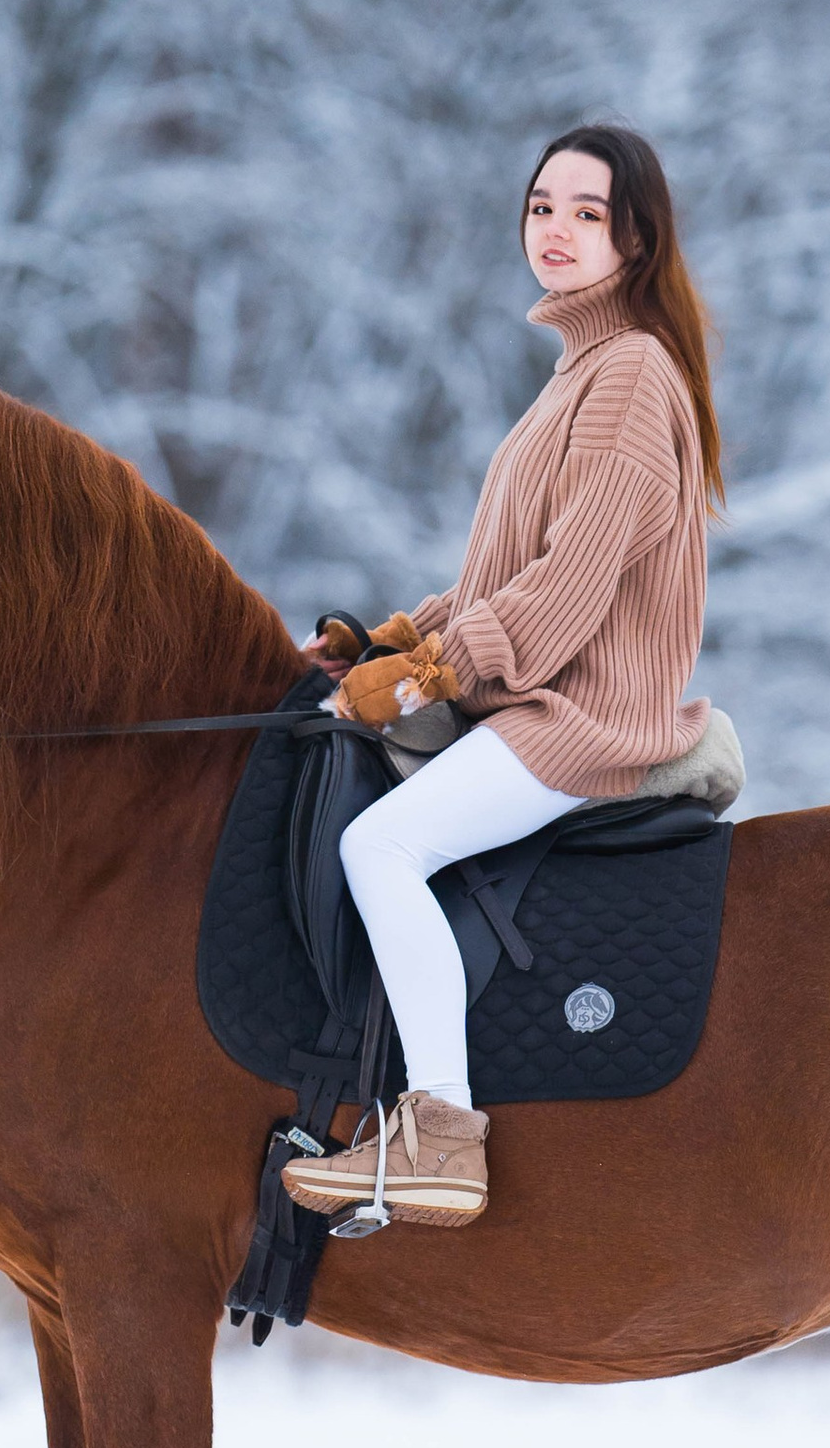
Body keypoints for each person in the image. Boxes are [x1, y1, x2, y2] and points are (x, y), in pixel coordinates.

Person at [282, 121, 723, 1230]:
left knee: (379, 846)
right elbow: (508, 572)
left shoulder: (630, 375)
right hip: (536, 695)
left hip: (582, 716)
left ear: (635, 238)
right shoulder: (583, 371)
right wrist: (394, 639)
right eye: (541, 207)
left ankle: (439, 1130)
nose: (556, 230)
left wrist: (432, 672)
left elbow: (568, 587)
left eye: (588, 212)